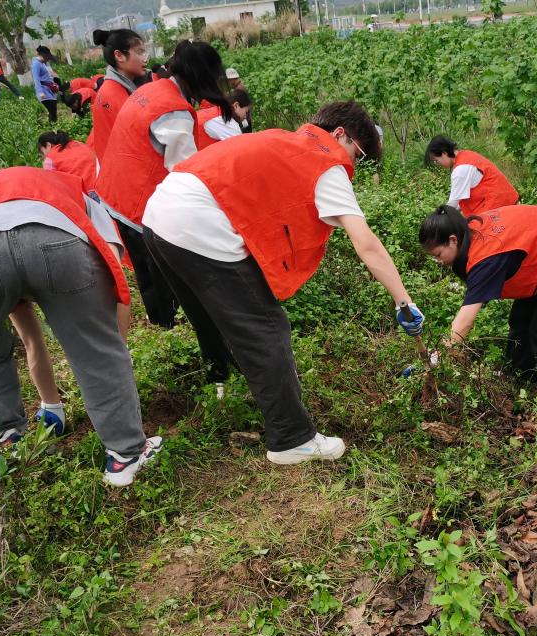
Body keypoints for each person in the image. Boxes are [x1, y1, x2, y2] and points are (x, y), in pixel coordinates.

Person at [141, 100, 426, 464]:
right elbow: (367, 244)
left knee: (209, 312)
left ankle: (221, 382)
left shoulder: (283, 140)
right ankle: (291, 438)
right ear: (340, 134)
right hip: (196, 223)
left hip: (159, 214)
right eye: (358, 152)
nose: (354, 164)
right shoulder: (325, 163)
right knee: (266, 328)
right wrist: (404, 301)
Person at [0, 166, 160, 486]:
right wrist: (112, 351)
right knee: (95, 351)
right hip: (55, 237)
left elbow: (28, 336)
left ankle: (9, 443)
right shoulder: (80, 195)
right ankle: (125, 457)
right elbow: (115, 275)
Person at [96, 40, 229, 332]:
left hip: (115, 188)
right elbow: (185, 174)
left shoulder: (152, 88)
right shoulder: (174, 111)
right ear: (201, 77)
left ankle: (161, 320)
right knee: (160, 270)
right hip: (137, 200)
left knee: (146, 269)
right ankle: (171, 327)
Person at [420, 204, 537, 409]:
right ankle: (518, 374)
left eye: (438, 254)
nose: (438, 261)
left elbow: (465, 322)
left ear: (453, 240)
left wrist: (437, 356)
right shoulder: (468, 230)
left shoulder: (486, 257)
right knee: (521, 319)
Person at [88, 29, 147, 159]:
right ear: (119, 56)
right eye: (139, 52)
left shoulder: (118, 87)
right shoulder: (114, 95)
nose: (145, 59)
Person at [424, 136, 520, 216]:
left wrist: (437, 217)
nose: (437, 164)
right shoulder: (466, 155)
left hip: (499, 205)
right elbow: (459, 203)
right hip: (503, 201)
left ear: (444, 153)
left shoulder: (460, 170)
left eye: (436, 160)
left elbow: (452, 205)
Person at [32, 46, 60, 122]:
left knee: (54, 112)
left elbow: (50, 74)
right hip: (44, 91)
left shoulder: (45, 63)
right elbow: (36, 79)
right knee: (52, 112)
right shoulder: (36, 64)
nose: (48, 59)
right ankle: (53, 129)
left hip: (51, 90)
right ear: (42, 55)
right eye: (47, 57)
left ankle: (53, 127)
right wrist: (40, 92)